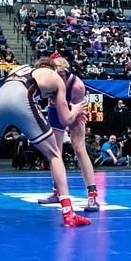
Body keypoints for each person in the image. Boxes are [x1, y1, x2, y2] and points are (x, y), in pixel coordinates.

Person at [0, 57, 90, 227]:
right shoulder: (55, 77)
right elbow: (65, 119)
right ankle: (69, 214)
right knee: (55, 154)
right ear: (52, 69)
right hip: (22, 98)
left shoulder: (19, 69)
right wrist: (76, 109)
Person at [35, 52, 101, 212]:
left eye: (63, 74)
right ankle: (57, 192)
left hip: (75, 109)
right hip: (55, 109)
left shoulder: (77, 86)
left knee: (79, 149)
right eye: (57, 74)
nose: (60, 78)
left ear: (68, 71)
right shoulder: (48, 81)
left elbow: (75, 111)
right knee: (55, 152)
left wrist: (76, 114)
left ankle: (92, 196)